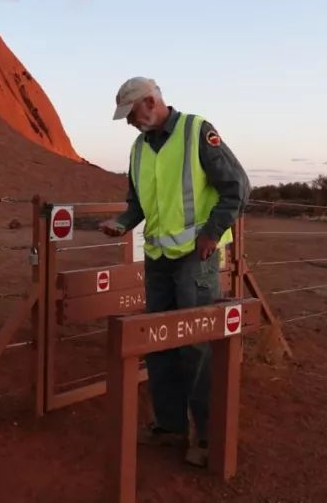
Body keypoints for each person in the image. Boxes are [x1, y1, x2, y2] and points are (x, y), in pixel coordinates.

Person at [99, 76, 250, 466]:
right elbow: (137, 202)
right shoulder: (138, 148)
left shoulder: (197, 132)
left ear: (150, 102)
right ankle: (170, 427)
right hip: (158, 261)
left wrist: (212, 234)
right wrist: (122, 222)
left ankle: (206, 437)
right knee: (157, 344)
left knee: (196, 347)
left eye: (131, 114)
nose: (130, 123)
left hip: (194, 260)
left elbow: (238, 187)